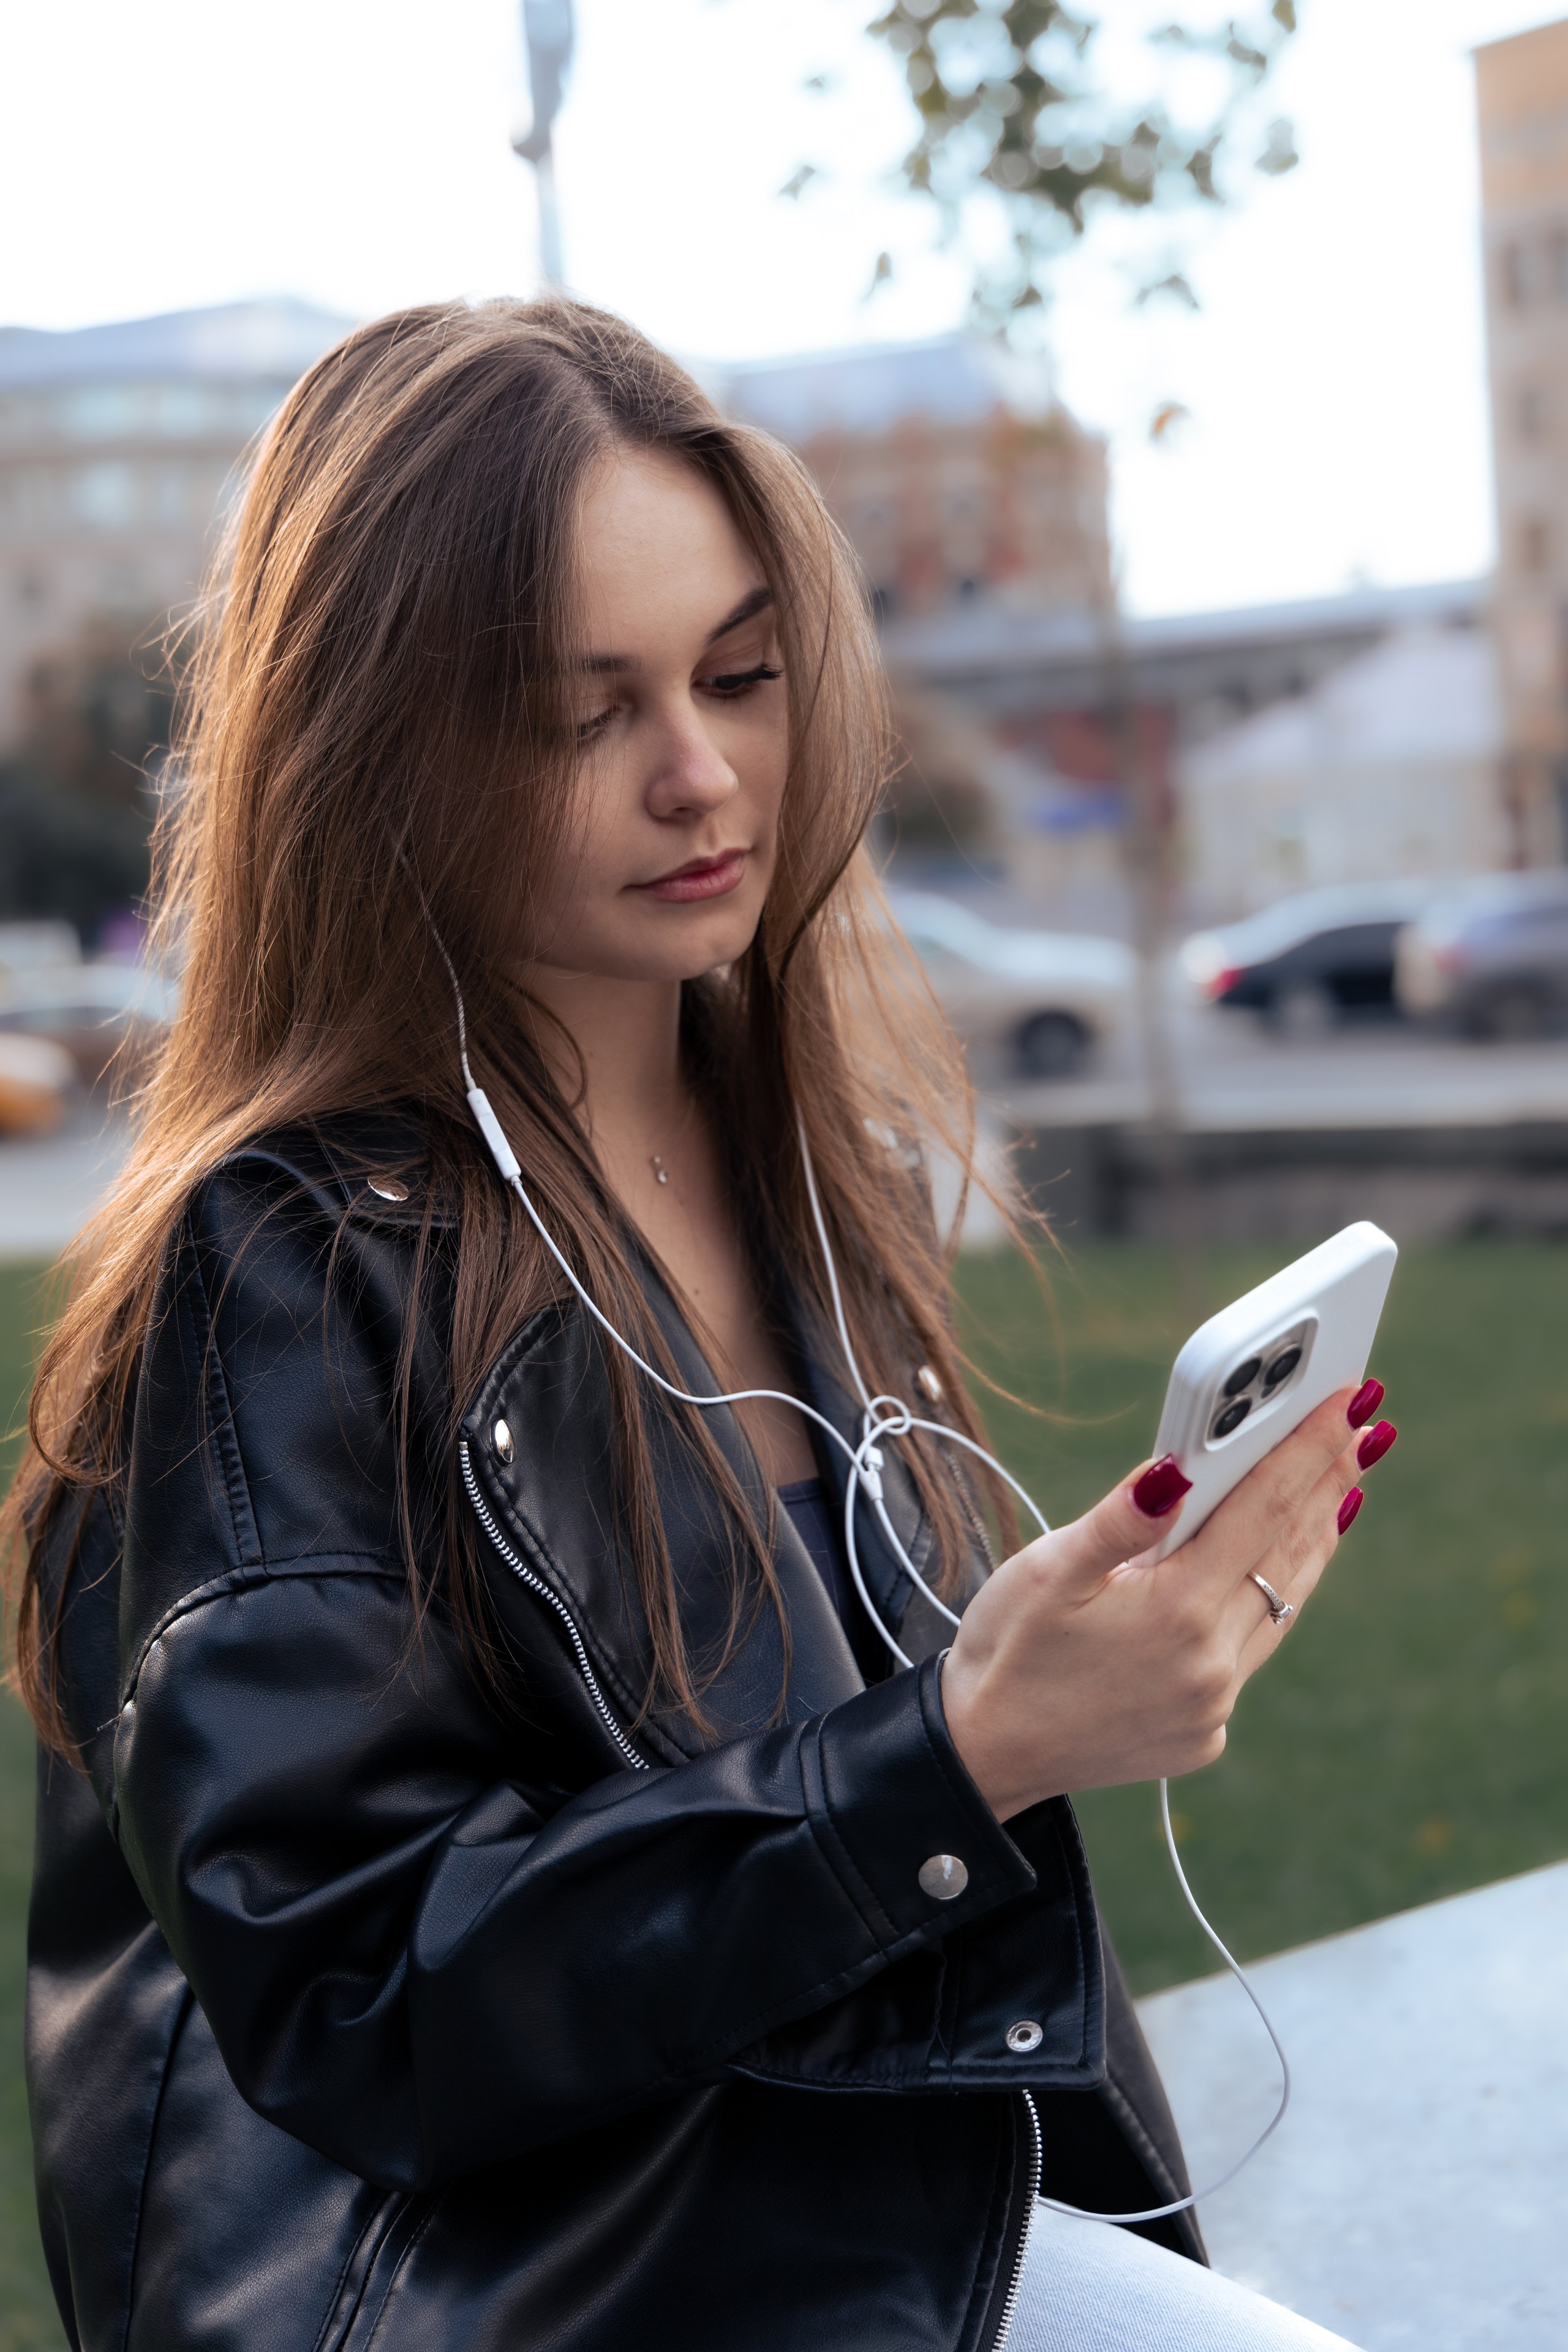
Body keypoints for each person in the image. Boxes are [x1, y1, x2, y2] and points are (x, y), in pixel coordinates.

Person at [9, 298, 1398, 2352]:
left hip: (824, 2200)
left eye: (740, 676)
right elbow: (363, 1991)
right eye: (587, 715)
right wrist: (967, 1746)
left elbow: (784, 1809)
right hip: (491, 2293)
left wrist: (1071, 1671)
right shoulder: (276, 1272)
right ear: (379, 750)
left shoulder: (787, 1158)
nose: (699, 774)